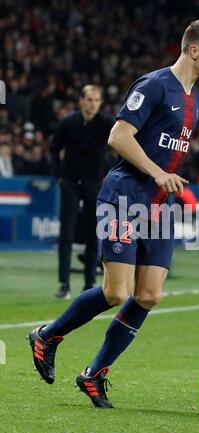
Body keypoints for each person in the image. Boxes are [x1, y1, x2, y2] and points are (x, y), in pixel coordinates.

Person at [28, 20, 199, 408]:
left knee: (149, 295)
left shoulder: (195, 97)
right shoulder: (153, 85)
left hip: (158, 206)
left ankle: (94, 373)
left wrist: (168, 183)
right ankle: (48, 335)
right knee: (115, 291)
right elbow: (119, 136)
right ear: (194, 50)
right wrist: (158, 173)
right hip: (124, 196)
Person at [50, 85, 114, 299]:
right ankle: (63, 284)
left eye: (97, 100)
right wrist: (58, 173)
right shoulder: (69, 122)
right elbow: (54, 148)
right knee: (66, 234)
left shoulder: (106, 123)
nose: (93, 104)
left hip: (94, 183)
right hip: (69, 182)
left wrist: (111, 172)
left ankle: (89, 284)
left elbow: (121, 141)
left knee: (93, 233)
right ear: (81, 101)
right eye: (89, 99)